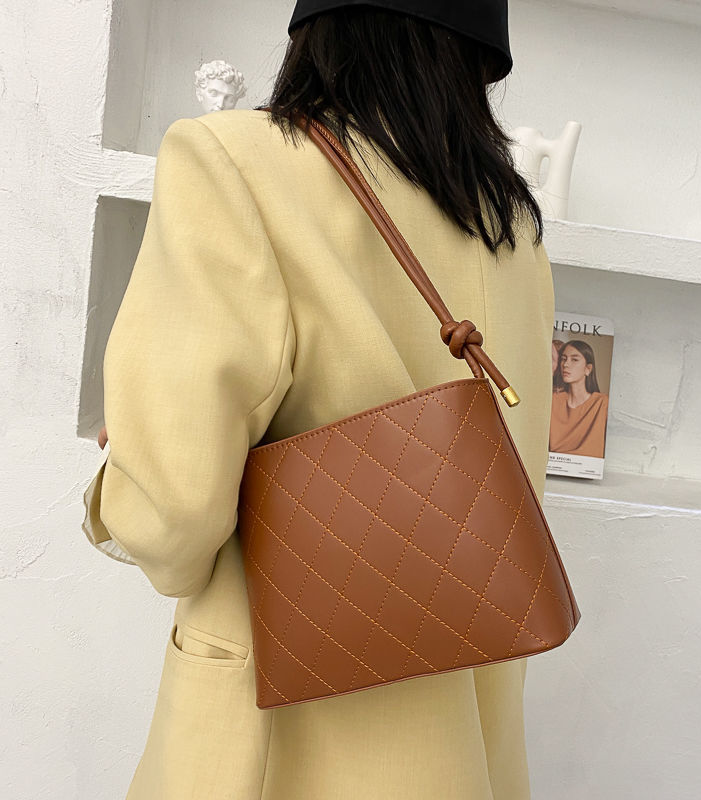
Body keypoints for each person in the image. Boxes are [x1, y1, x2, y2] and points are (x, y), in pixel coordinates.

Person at [81, 2, 556, 797]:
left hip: (285, 747)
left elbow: (170, 517)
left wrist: (122, 480)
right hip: (467, 755)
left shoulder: (236, 163)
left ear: (322, 29)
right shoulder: (513, 228)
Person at [549, 340, 610, 458]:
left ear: (588, 369)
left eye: (574, 359)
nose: (566, 364)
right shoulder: (553, 400)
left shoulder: (603, 403)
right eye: (563, 359)